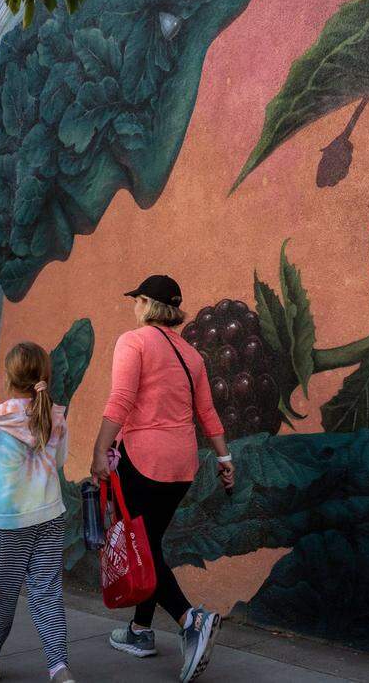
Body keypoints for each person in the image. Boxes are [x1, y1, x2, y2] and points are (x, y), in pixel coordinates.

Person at [89, 274, 236, 683]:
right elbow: (207, 413)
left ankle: (191, 620)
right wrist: (225, 457)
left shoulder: (132, 342)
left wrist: (99, 450)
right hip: (182, 464)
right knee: (147, 541)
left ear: (146, 304)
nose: (133, 308)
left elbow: (121, 399)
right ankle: (139, 632)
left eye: (136, 300)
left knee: (142, 547)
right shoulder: (192, 355)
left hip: (145, 459)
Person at [0, 342, 77, 683]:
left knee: (4, 590)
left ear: (10, 375)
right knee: (47, 591)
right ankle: (59, 668)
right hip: (50, 515)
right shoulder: (56, 416)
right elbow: (60, 461)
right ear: (44, 376)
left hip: (9, 521)